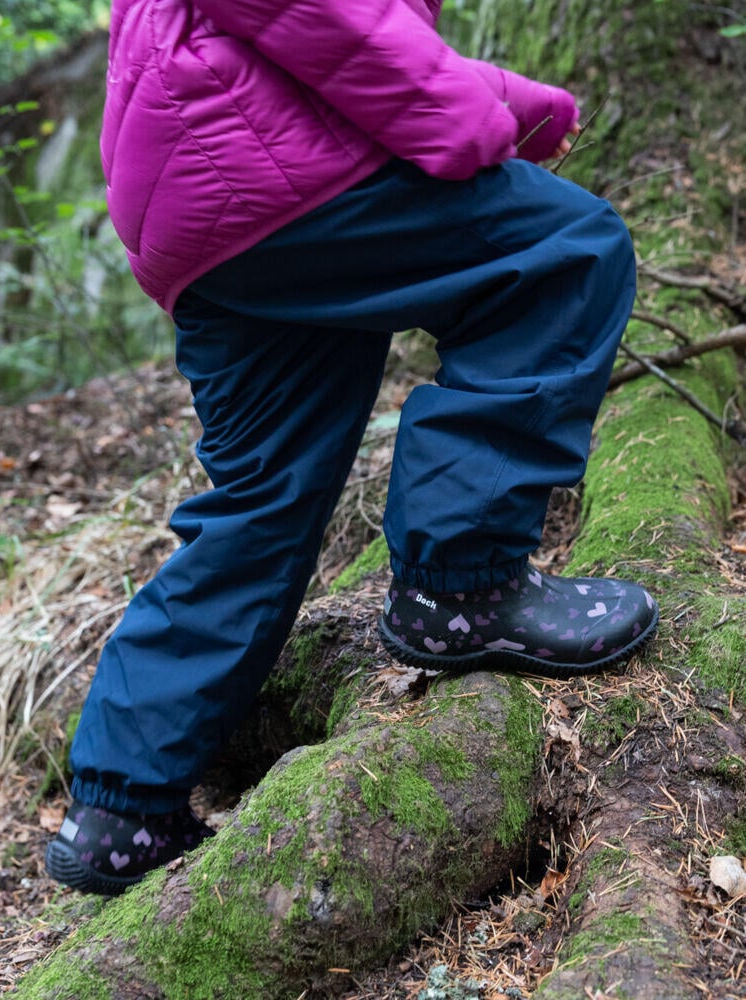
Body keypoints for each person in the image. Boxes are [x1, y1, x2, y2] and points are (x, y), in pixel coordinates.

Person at [45, 0, 659, 896]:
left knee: (262, 497)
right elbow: (327, 18)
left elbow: (324, 40)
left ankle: (119, 806)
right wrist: (475, 120)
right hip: (266, 170)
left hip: (204, 198)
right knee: (566, 249)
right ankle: (463, 583)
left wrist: (516, 100)